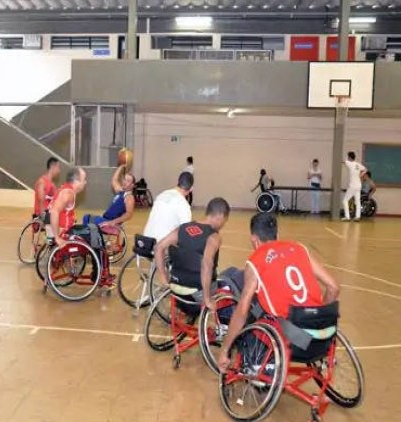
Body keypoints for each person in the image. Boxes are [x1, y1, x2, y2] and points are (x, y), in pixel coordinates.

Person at [217, 213, 340, 371]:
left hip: (292, 337)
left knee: (253, 309)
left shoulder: (256, 260)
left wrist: (225, 349)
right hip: (320, 336)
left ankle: (259, 363)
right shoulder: (299, 249)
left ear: (254, 239)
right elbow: (333, 287)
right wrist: (317, 316)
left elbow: (242, 310)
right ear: (277, 235)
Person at [154, 197, 231, 314]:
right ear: (220, 216)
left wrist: (164, 280)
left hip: (176, 292)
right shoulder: (213, 237)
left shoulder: (183, 228)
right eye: (225, 221)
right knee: (230, 280)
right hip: (197, 297)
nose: (223, 225)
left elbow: (158, 247)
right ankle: (224, 327)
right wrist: (207, 299)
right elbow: (206, 264)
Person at [142, 172, 193, 242]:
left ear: (178, 182)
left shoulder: (162, 194)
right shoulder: (184, 205)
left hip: (145, 241)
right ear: (191, 189)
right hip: (161, 247)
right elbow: (186, 233)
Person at [48, 167, 88, 247]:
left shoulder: (67, 189)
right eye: (84, 179)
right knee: (91, 234)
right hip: (64, 234)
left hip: (65, 229)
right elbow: (54, 212)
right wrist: (57, 238)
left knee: (89, 228)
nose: (85, 182)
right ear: (77, 181)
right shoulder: (68, 194)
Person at [342, 151, 367, 222]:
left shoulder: (349, 163)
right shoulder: (357, 164)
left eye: (348, 157)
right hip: (359, 185)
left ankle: (347, 217)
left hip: (352, 185)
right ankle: (357, 217)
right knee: (357, 201)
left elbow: (343, 161)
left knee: (345, 200)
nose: (347, 158)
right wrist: (360, 175)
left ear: (350, 157)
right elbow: (365, 169)